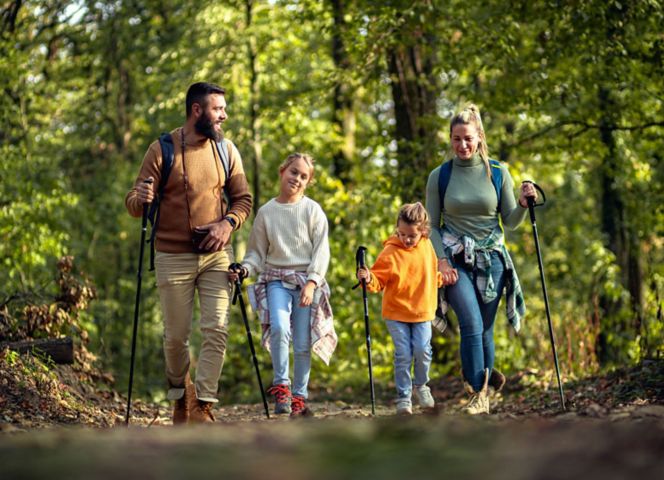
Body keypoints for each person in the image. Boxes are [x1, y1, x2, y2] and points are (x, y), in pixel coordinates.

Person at [125, 82, 252, 424]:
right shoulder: (161, 149)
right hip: (171, 257)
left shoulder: (226, 150)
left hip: (216, 256)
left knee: (217, 328)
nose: (224, 115)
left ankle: (204, 406)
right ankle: (181, 395)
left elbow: (243, 200)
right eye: (218, 109)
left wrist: (227, 224)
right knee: (176, 337)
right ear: (198, 111)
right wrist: (141, 198)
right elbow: (134, 205)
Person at [425, 104, 537, 415]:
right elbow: (431, 225)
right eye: (456, 139)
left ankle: (483, 385)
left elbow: (510, 221)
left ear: (480, 138)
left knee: (486, 329)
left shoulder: (498, 172)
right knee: (471, 324)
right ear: (450, 139)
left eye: (468, 139)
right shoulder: (440, 176)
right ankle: (479, 392)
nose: (462, 145)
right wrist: (442, 261)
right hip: (456, 259)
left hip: (493, 259)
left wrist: (525, 204)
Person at [229, 153, 336, 417]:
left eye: (303, 176)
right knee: (278, 326)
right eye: (293, 172)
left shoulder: (313, 211)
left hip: (305, 282)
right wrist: (245, 268)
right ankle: (282, 387)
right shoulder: (267, 212)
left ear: (308, 182)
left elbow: (322, 252)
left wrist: (312, 283)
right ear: (282, 171)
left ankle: (299, 397)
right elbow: (256, 253)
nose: (297, 179)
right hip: (276, 279)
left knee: (301, 343)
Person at [356, 202, 443, 415]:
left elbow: (431, 273)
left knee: (423, 350)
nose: (406, 239)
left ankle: (421, 385)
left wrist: (442, 279)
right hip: (396, 313)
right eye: (402, 233)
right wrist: (368, 278)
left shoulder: (427, 247)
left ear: (423, 231)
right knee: (403, 354)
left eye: (412, 235)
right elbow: (378, 279)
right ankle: (404, 397)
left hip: (422, 310)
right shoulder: (390, 251)